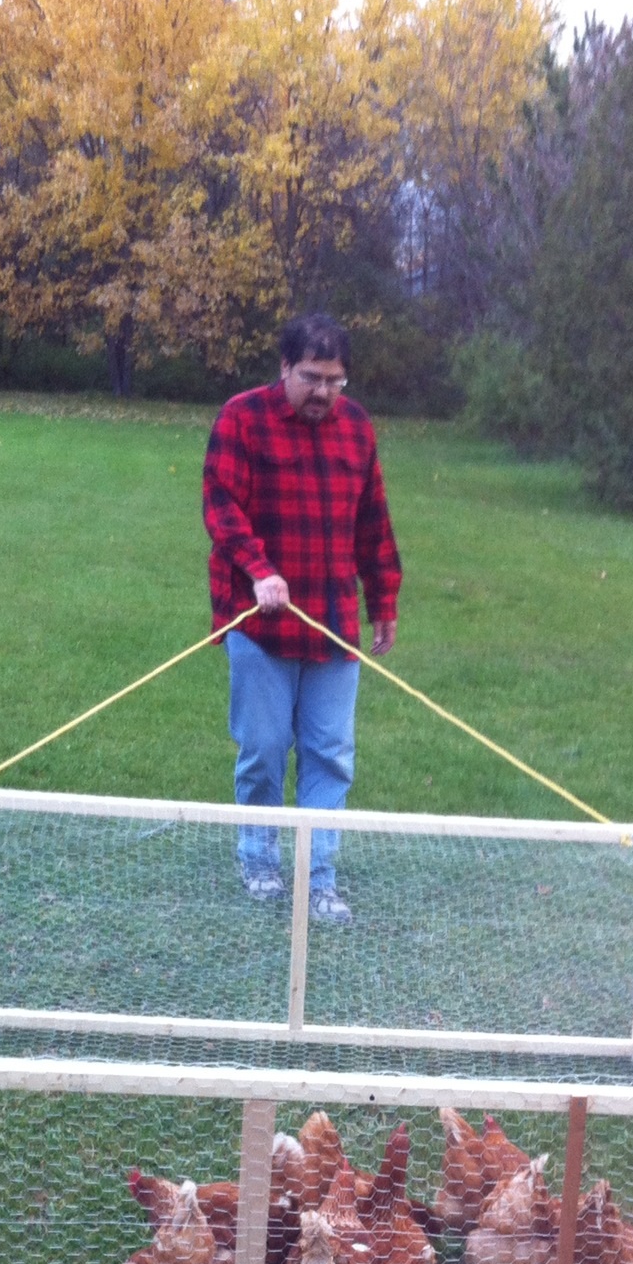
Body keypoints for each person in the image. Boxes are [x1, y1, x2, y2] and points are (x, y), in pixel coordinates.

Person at [202, 312, 402, 923]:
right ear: (284, 368)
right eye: (311, 377)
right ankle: (259, 860)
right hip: (259, 623)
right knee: (264, 747)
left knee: (330, 753)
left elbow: (373, 521)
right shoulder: (242, 417)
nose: (322, 392)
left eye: (334, 381)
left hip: (334, 622)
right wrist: (260, 570)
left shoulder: (357, 428)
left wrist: (383, 600)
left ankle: (319, 878)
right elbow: (221, 505)